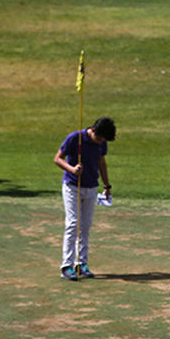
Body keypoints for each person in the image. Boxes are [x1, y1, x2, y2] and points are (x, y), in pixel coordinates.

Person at [53, 117, 115, 281]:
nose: (100, 142)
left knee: (85, 226)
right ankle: (66, 266)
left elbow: (102, 162)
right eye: (99, 138)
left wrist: (107, 186)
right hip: (73, 186)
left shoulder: (102, 142)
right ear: (93, 130)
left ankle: (81, 263)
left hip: (91, 187)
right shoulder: (75, 138)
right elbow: (57, 158)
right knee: (73, 223)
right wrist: (72, 169)